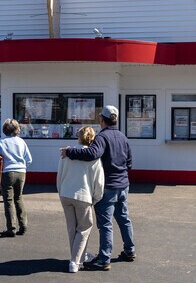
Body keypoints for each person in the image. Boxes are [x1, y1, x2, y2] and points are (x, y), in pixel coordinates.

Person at [60, 105, 135, 272]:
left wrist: (70, 151)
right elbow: (129, 162)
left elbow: (91, 154)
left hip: (108, 186)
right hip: (123, 185)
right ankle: (129, 250)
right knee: (124, 218)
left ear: (102, 119)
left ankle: (104, 258)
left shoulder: (102, 137)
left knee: (105, 224)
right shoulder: (123, 137)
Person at [57, 126, 104, 273]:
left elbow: (60, 175)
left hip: (66, 193)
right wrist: (95, 198)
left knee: (72, 228)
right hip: (83, 195)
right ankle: (75, 261)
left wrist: (61, 191)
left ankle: (78, 257)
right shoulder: (93, 157)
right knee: (84, 228)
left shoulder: (66, 153)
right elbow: (99, 182)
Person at [0, 118, 33, 237]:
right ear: (17, 129)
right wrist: (23, 167)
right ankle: (23, 224)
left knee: (8, 201)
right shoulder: (21, 142)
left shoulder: (1, 142)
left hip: (7, 172)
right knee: (18, 198)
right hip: (21, 172)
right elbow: (29, 159)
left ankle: (11, 228)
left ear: (4, 130)